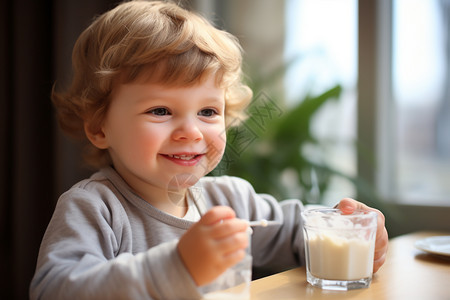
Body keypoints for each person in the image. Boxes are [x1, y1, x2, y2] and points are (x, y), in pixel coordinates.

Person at [30, 1, 388, 299]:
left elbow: (295, 230)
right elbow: (54, 289)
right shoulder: (95, 208)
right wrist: (176, 267)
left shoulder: (229, 199)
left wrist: (348, 230)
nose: (191, 132)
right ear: (98, 126)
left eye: (207, 112)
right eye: (160, 111)